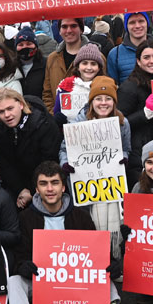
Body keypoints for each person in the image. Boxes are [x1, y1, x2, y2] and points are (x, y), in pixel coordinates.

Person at [0, 161, 141, 304]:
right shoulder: (25, 218)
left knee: (102, 270)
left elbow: (97, 254)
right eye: (43, 184)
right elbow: (20, 255)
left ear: (63, 187)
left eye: (55, 183)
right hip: (42, 281)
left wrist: (112, 264)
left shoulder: (80, 216)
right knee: (15, 281)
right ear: (37, 189)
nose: (50, 189)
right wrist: (23, 265)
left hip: (75, 281)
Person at [59, 76, 130, 256]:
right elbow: (64, 149)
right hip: (85, 183)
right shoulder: (77, 123)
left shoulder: (123, 122)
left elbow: (126, 148)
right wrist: (65, 163)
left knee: (115, 225)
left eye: (108, 99)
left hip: (111, 184)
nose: (103, 103)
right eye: (98, 98)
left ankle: (114, 258)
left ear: (114, 102)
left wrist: (123, 158)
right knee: (89, 223)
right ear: (91, 101)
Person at [0, 89, 62, 210]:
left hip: (45, 181)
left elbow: (50, 161)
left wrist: (32, 190)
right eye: (1, 112)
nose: (7, 115)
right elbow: (3, 163)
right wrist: (21, 189)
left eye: (10, 108)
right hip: (16, 185)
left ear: (21, 105)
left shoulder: (43, 123)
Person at [117, 39, 153, 186]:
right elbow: (120, 123)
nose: (152, 61)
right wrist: (145, 113)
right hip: (138, 156)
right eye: (146, 57)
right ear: (138, 61)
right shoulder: (129, 87)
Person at [51, 43, 106, 125]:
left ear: (99, 68)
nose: (89, 67)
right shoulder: (66, 85)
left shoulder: (106, 86)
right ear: (78, 66)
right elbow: (57, 110)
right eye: (84, 63)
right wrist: (58, 120)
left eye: (93, 64)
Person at [106, 12, 151, 84]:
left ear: (147, 23)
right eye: (132, 22)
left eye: (141, 21)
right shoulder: (115, 54)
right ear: (126, 26)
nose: (137, 26)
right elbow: (113, 86)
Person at [13, 27, 46, 100]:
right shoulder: (11, 67)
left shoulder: (46, 64)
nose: (25, 47)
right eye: (21, 45)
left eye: (29, 44)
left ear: (36, 46)